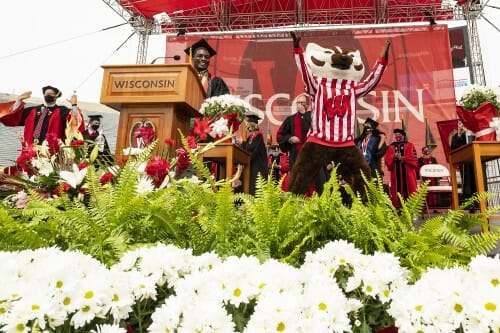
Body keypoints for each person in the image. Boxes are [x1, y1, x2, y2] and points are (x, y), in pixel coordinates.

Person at [0, 86, 84, 148]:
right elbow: (12, 116)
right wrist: (19, 100)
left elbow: (75, 122)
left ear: (56, 96)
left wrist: (74, 105)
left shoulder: (62, 111)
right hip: (30, 150)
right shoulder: (32, 110)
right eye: (47, 94)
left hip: (51, 152)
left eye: (51, 94)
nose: (48, 95)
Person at [276, 93, 327, 195]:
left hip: (313, 158)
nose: (299, 105)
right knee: (297, 185)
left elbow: (318, 133)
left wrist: (305, 115)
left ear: (307, 105)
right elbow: (280, 135)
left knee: (315, 184)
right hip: (296, 157)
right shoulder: (290, 119)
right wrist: (289, 138)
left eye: (302, 103)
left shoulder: (314, 118)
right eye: (298, 103)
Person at [385, 128, 418, 208]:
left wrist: (403, 158)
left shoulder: (410, 145)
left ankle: (411, 207)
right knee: (396, 189)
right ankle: (398, 207)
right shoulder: (391, 147)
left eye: (399, 134)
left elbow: (414, 159)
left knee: (410, 188)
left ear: (403, 136)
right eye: (396, 135)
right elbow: (387, 159)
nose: (397, 136)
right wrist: (394, 157)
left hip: (407, 172)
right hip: (396, 173)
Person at [240, 114, 268, 195]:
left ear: (252, 125)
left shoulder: (258, 135)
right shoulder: (250, 137)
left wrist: (247, 159)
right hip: (252, 166)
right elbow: (245, 149)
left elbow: (253, 149)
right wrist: (243, 142)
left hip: (258, 166)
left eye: (247, 124)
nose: (246, 126)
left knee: (256, 188)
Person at [450, 120, 477, 205]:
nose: (460, 125)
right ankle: (469, 202)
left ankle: (478, 201)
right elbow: (453, 146)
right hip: (464, 161)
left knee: (475, 179)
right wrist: (458, 135)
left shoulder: (470, 132)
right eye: (459, 124)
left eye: (462, 123)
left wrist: (466, 132)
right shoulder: (456, 136)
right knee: (466, 181)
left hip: (473, 160)